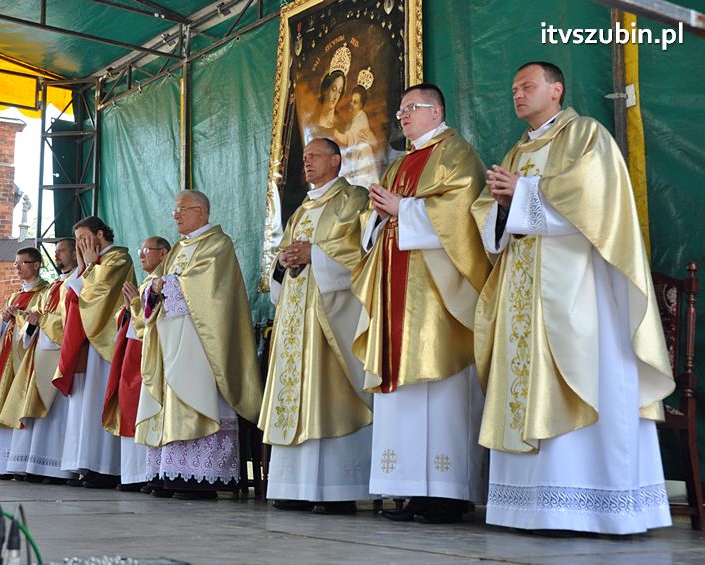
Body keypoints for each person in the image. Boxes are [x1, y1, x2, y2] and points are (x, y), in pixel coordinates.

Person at [472, 61, 675, 534]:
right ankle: (529, 507)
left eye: (527, 85)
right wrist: (503, 208)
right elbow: (493, 215)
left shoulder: (586, 135)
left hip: (579, 292)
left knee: (590, 379)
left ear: (556, 89)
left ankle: (594, 507)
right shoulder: (517, 150)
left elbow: (595, 198)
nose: (517, 94)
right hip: (523, 292)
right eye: (514, 88)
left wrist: (521, 194)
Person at [352, 84, 490, 523]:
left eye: (412, 108)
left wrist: (403, 210)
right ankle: (408, 491)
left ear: (437, 111)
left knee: (440, 389)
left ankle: (447, 494)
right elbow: (378, 225)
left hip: (436, 296)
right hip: (395, 287)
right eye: (401, 110)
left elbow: (461, 213)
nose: (403, 116)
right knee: (404, 393)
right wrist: (376, 217)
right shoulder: (397, 166)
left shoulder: (456, 154)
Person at [259, 138, 371, 514]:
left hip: (327, 317)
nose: (306, 162)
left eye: (315, 156)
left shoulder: (352, 199)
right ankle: (292, 486)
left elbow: (358, 251)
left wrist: (315, 255)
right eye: (305, 157)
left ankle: (336, 490)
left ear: (336, 161)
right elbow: (284, 258)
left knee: (327, 393)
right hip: (295, 316)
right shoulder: (301, 210)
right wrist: (285, 260)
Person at [136, 190, 264, 499]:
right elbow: (154, 284)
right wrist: (153, 288)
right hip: (171, 338)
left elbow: (210, 291)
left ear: (201, 212)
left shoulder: (218, 244)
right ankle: (172, 472)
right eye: (174, 211)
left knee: (198, 394)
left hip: (203, 341)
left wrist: (166, 285)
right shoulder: (179, 248)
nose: (175, 216)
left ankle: (202, 477)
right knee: (173, 399)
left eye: (181, 210)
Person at [52, 216, 134, 489]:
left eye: (84, 238)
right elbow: (70, 299)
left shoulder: (118, 260)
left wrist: (87, 268)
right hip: (86, 344)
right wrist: (85, 268)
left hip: (105, 344)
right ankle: (85, 464)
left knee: (100, 403)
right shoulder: (91, 264)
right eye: (76, 241)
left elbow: (96, 296)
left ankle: (107, 467)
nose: (80, 245)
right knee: (82, 407)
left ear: (101, 235)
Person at [0, 238, 79, 483]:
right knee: (37, 406)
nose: (58, 255)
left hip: (58, 350)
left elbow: (68, 319)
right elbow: (40, 316)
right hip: (39, 349)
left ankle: (54, 468)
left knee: (52, 407)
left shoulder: (71, 283)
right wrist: (27, 321)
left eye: (62, 251)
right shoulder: (56, 285)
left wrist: (38, 320)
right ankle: (35, 464)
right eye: (56, 252)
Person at [104, 236, 170, 492]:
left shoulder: (165, 280)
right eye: (140, 250)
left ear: (163, 253)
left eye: (146, 250)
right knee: (129, 403)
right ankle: (132, 474)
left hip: (150, 352)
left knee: (142, 406)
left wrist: (133, 304)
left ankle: (145, 473)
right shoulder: (145, 281)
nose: (141, 255)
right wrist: (127, 307)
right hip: (134, 350)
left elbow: (151, 319)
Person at [0, 247, 48, 479]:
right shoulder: (15, 295)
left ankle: (20, 462)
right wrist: (4, 318)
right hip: (8, 355)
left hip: (26, 357)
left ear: (37, 264)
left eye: (23, 262)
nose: (18, 267)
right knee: (2, 403)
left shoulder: (45, 292)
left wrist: (21, 318)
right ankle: (0, 464)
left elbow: (42, 322)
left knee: (19, 403)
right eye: (16, 263)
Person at [333, 73, 381, 188]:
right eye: (351, 101)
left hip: (363, 159)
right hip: (358, 159)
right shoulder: (353, 118)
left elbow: (348, 139)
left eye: (355, 102)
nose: (351, 104)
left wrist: (334, 133)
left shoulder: (361, 117)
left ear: (361, 105)